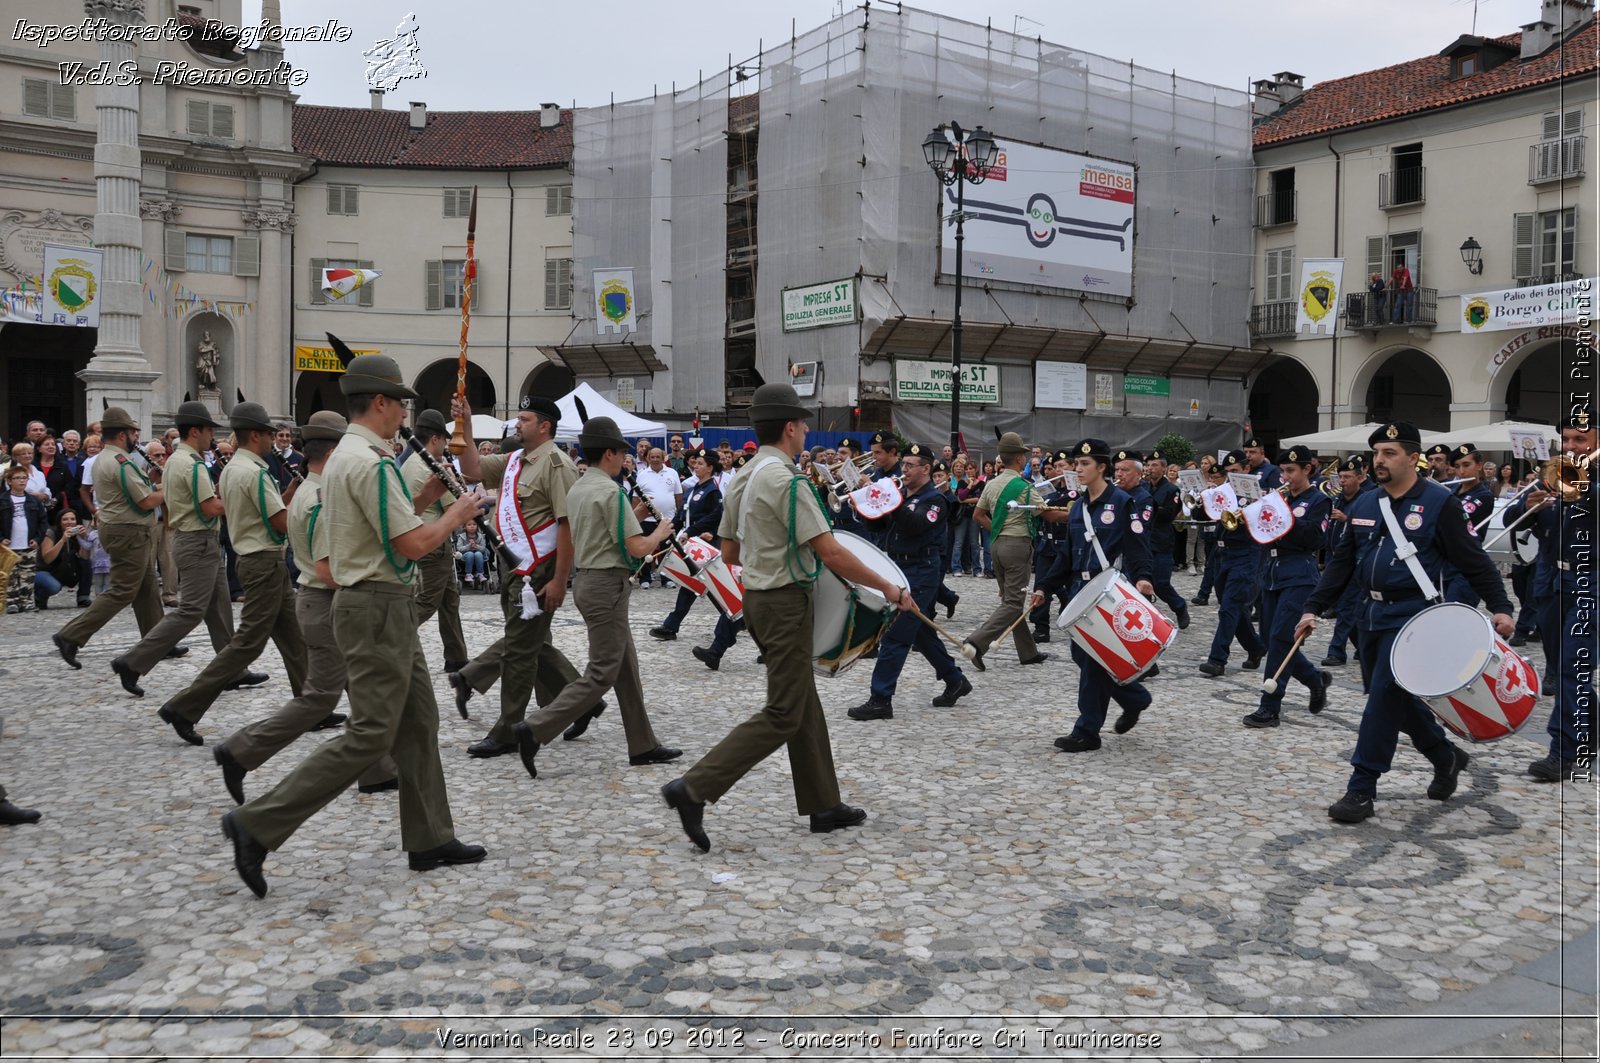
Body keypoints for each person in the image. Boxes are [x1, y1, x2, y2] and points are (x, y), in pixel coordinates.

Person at [221, 351, 489, 897]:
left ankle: (430, 836)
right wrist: (459, 515)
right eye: (400, 406)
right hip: (375, 606)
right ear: (383, 403)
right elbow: (412, 542)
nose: (403, 417)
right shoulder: (369, 460)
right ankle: (258, 824)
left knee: (419, 723)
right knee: (372, 733)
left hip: (380, 602)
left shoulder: (352, 455)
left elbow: (388, 521)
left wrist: (433, 500)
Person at [660, 383, 913, 852]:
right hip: (784, 603)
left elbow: (730, 551)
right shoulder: (788, 481)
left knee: (802, 701)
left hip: (756, 599)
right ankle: (694, 787)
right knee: (783, 711)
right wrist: (891, 588)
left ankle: (823, 803)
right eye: (803, 425)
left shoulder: (745, 475)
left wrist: (771, 550)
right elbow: (832, 551)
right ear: (792, 428)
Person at [1296, 421, 1514, 823]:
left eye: (1389, 453)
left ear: (1414, 458)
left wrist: (1502, 606)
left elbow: (1473, 559)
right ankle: (1444, 755)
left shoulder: (1438, 503)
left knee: (1382, 699)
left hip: (1414, 620)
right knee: (1395, 699)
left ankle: (1361, 787)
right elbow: (1342, 562)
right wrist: (1313, 606)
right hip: (1369, 614)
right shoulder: (1364, 503)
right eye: (1377, 453)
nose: (1380, 460)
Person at [211, 412, 398, 805]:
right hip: (325, 600)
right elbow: (329, 567)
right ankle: (241, 750)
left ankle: (379, 770)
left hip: (319, 600)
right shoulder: (318, 498)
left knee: (363, 691)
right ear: (331, 454)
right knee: (319, 698)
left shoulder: (311, 491)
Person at [510, 415, 681, 778]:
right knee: (603, 671)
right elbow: (636, 548)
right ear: (609, 453)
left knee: (626, 667)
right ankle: (536, 728)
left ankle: (643, 743)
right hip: (607, 585)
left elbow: (604, 530)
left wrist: (633, 514)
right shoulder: (610, 491)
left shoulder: (581, 487)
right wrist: (660, 532)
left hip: (589, 581)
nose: (624, 459)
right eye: (621, 452)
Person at [153, 402, 309, 745]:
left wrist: (291, 495)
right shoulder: (254, 471)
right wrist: (313, 517)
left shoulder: (237, 468)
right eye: (269, 433)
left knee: (293, 636)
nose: (273, 439)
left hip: (261, 558)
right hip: (263, 560)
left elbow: (265, 510)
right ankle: (183, 706)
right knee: (246, 644)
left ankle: (312, 704)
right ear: (255, 435)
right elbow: (280, 521)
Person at [451, 397, 591, 750]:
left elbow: (566, 525)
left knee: (518, 651)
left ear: (544, 426)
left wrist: (560, 580)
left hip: (539, 571)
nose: (517, 423)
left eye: (524, 419)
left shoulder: (557, 464)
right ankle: (582, 702)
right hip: (514, 566)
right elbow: (472, 469)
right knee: (531, 643)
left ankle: (508, 731)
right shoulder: (515, 459)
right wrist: (465, 423)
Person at [1030, 438, 1155, 752]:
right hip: (1079, 590)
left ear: (1102, 467)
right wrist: (1044, 586)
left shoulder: (1123, 502)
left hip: (1107, 592)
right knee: (1081, 656)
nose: (1078, 469)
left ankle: (1086, 731)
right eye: (1076, 463)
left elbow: (1138, 548)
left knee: (1096, 662)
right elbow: (1067, 556)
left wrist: (1143, 579)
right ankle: (1135, 697)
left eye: (1085, 464)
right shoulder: (1078, 508)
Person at [847, 442, 970, 720]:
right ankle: (955, 679)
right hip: (897, 567)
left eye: (910, 466)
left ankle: (880, 699)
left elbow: (915, 526)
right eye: (904, 465)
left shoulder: (934, 500)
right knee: (920, 631)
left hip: (922, 569)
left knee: (896, 634)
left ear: (926, 469)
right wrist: (866, 499)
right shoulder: (901, 494)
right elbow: (877, 526)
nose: (904, 470)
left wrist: (889, 498)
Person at [51, 407, 164, 669]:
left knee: (147, 588)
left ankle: (159, 641)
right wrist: (174, 489)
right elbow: (146, 500)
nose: (137, 436)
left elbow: (138, 490)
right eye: (134, 432)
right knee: (123, 590)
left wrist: (154, 482)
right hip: (128, 531)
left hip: (125, 528)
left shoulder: (108, 458)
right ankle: (70, 635)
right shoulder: (120, 461)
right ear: (123, 434)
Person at [1521, 411, 1597, 783]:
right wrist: (1532, 508)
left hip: (1592, 583)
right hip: (1555, 580)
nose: (1570, 447)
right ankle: (1591, 733)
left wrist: (1582, 489)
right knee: (1563, 664)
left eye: (1580, 440)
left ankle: (1562, 752)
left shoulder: (1586, 482)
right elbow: (1537, 530)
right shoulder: (1555, 477)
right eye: (1565, 440)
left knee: (1571, 668)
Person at [1242, 447, 1332, 727]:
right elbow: (1263, 534)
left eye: (1291, 471)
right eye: (1283, 471)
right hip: (1271, 571)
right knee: (1271, 639)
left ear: (1308, 470)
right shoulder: (1279, 498)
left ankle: (1269, 706)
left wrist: (1286, 518)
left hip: (1299, 573)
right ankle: (1315, 679)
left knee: (1282, 637)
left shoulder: (1319, 500)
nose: (1285, 476)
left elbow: (1316, 538)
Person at [961, 433, 1060, 670]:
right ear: (1018, 458)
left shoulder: (992, 483)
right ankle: (976, 642)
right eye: (1024, 455)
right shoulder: (1023, 487)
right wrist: (1074, 514)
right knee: (1014, 604)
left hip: (996, 546)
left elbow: (978, 515)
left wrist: (997, 528)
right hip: (1017, 547)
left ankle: (1028, 653)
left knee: (1010, 600)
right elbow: (1047, 513)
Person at [401, 406, 478, 675]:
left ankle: (456, 657)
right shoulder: (430, 466)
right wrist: (460, 489)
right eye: (444, 440)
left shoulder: (409, 462)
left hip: (424, 539)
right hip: (434, 542)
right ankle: (392, 641)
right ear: (435, 439)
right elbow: (453, 509)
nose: (446, 445)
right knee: (426, 602)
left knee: (449, 601)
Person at [1196, 451, 1265, 676]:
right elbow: (1202, 514)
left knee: (1229, 608)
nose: (1231, 476)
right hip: (1222, 553)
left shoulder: (1256, 492)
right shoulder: (1224, 490)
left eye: (1236, 472)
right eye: (1229, 473)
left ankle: (1217, 659)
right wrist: (1202, 499)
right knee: (1234, 609)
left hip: (1246, 553)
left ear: (1246, 470)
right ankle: (1256, 648)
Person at [650, 447, 723, 641]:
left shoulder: (713, 491)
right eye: (695, 463)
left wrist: (700, 532)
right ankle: (671, 626)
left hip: (706, 545)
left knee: (708, 586)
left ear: (710, 468)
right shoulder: (693, 489)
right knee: (692, 585)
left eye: (700, 464)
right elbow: (682, 514)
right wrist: (671, 526)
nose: (695, 466)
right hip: (691, 543)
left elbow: (716, 517)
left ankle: (735, 619)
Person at [1320, 456, 1371, 667]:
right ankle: (1363, 647)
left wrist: (1346, 519)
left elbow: (1369, 526)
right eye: (1340, 477)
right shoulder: (1338, 498)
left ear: (1360, 478)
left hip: (1356, 561)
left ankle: (1336, 651)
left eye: (1347, 477)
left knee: (1347, 607)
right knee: (1347, 608)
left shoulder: (1367, 499)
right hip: (1336, 558)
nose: (1342, 481)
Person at [1141, 448, 1192, 632]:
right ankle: (1145, 621)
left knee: (1161, 584)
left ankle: (1179, 606)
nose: (1150, 468)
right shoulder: (1144, 487)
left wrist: (1147, 503)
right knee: (1141, 583)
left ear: (1163, 469)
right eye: (1148, 465)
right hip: (1143, 542)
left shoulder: (1172, 490)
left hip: (1161, 541)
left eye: (1154, 465)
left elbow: (1168, 514)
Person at [1441, 443, 1496, 608]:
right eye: (1457, 467)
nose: (1462, 472)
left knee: (1456, 612)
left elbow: (1457, 517)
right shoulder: (1452, 491)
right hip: (1445, 561)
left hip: (1467, 563)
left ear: (1479, 465)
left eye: (1466, 465)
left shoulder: (1483, 495)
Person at [632, 446, 682, 589]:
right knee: (646, 548)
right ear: (647, 458)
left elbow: (678, 496)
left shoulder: (672, 473)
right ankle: (645, 578)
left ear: (663, 458)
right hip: (647, 519)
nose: (655, 459)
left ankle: (667, 578)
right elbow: (636, 498)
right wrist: (636, 515)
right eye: (652, 457)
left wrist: (676, 514)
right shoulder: (641, 474)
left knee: (667, 550)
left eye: (657, 457)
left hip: (667, 519)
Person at [0, 464, 47, 613]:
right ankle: (12, 601)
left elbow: (42, 521)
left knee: (28, 574)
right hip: (8, 545)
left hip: (28, 543)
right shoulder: (2, 500)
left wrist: (38, 539)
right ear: (9, 481)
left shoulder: (33, 501)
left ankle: (26, 601)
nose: (21, 481)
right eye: (17, 478)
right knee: (11, 575)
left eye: (24, 478)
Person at [36, 508, 92, 609]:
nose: (69, 522)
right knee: (54, 586)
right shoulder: (51, 533)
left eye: (72, 519)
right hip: (45, 571)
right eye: (65, 519)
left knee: (87, 563)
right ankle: (39, 597)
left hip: (63, 569)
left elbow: (85, 557)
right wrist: (62, 540)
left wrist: (83, 539)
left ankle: (83, 597)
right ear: (59, 521)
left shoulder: (77, 535)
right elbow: (47, 559)